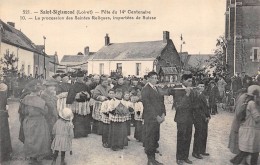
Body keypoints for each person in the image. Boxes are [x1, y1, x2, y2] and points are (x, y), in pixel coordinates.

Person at [21, 80, 51, 164]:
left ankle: (31, 156)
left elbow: (22, 111)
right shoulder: (40, 101)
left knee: (30, 139)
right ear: (38, 91)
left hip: (28, 121)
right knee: (39, 139)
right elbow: (45, 112)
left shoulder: (25, 99)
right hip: (39, 121)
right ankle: (37, 157)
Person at [230, 85, 260, 165]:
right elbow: (257, 118)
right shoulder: (252, 104)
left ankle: (236, 161)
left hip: (250, 132)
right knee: (250, 153)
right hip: (249, 132)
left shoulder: (249, 102)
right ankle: (235, 161)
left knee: (249, 153)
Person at [141, 71, 166, 165]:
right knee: (150, 138)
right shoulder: (145, 89)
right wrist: (156, 116)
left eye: (156, 78)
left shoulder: (157, 88)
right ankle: (150, 160)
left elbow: (161, 102)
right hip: (151, 118)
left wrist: (163, 114)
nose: (155, 80)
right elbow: (147, 105)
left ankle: (152, 158)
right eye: (153, 78)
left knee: (155, 137)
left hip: (158, 117)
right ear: (148, 79)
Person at [170, 73, 194, 165]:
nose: (190, 83)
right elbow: (179, 106)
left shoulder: (190, 90)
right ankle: (179, 158)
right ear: (183, 81)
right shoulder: (178, 90)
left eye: (191, 81)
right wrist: (187, 95)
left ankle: (185, 157)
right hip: (181, 118)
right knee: (181, 138)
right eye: (188, 81)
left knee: (188, 137)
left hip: (189, 118)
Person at [66, 71, 91, 138]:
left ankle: (84, 133)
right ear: (77, 78)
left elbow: (89, 95)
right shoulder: (73, 86)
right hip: (76, 105)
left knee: (84, 118)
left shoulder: (85, 86)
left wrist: (86, 95)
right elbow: (70, 96)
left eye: (82, 77)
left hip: (84, 105)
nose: (81, 78)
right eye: (80, 77)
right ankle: (77, 133)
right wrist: (78, 95)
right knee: (77, 118)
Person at [192, 83, 211, 159]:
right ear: (197, 87)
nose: (202, 87)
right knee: (198, 135)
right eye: (200, 86)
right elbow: (197, 109)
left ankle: (202, 150)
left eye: (203, 86)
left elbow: (206, 107)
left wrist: (208, 116)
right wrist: (204, 117)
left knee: (204, 134)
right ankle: (196, 152)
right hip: (198, 118)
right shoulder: (196, 96)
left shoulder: (203, 95)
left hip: (205, 118)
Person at [0, 82, 12, 163]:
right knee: (4, 134)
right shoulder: (3, 96)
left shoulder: (3, 95)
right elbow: (6, 107)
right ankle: (5, 154)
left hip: (3, 115)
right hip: (3, 117)